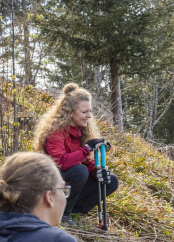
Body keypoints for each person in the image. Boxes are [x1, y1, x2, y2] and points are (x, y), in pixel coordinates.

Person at [32, 83, 119, 225]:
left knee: (110, 180)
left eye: (90, 111)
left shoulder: (80, 131)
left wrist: (97, 171)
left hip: (68, 185)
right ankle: (61, 213)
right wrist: (87, 148)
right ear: (71, 112)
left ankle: (75, 211)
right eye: (85, 112)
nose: (89, 116)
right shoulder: (55, 132)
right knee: (79, 171)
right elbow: (61, 162)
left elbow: (85, 161)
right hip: (51, 184)